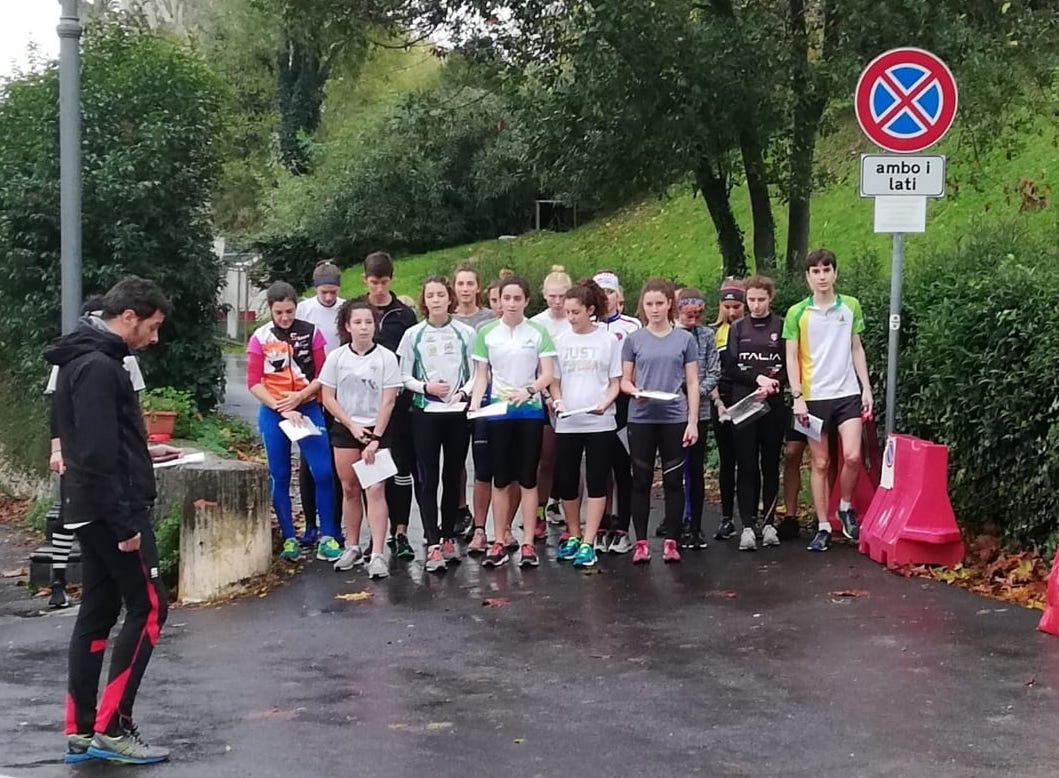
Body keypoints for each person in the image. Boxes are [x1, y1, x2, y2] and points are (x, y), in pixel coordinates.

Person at [45, 277, 173, 764]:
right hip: (113, 510)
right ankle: (113, 728)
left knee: (97, 613)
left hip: (86, 505)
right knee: (150, 608)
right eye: (152, 327)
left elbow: (92, 441)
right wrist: (124, 526)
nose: (154, 338)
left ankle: (81, 730)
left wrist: (143, 454)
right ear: (128, 316)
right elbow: (97, 456)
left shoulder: (78, 358)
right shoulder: (101, 366)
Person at [784, 248, 874, 552]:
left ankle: (845, 506)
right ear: (807, 277)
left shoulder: (850, 306)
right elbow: (791, 357)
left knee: (852, 456)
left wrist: (866, 387)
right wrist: (797, 396)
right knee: (820, 462)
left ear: (835, 273)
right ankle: (823, 526)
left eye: (826, 270)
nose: (822, 276)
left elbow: (856, 348)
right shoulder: (797, 313)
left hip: (847, 393)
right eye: (816, 271)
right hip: (813, 397)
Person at [247, 281, 341, 564]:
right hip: (274, 410)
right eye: (279, 312)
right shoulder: (260, 337)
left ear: (296, 307)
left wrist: (299, 397)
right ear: (271, 310)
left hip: (308, 406)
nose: (285, 317)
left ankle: (328, 535)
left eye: (289, 311)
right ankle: (289, 537)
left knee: (323, 471)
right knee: (280, 474)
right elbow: (254, 382)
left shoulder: (312, 332)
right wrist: (282, 407)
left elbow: (323, 375)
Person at [468, 276, 556, 568]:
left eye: (518, 298)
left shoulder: (538, 332)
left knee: (527, 478)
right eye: (507, 298)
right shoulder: (487, 333)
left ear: (527, 301)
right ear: (499, 301)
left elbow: (547, 374)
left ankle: (528, 543)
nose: (512, 303)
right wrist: (475, 402)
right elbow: (482, 375)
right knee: (501, 479)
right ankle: (498, 540)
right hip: (498, 412)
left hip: (530, 412)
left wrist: (529, 390)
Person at [396, 277, 476, 574]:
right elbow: (404, 376)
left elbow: (477, 372)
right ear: (424, 301)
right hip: (425, 413)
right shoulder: (413, 334)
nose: (436, 300)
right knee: (428, 478)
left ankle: (447, 536)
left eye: (441, 294)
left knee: (452, 476)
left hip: (456, 413)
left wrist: (464, 393)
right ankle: (432, 543)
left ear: (449, 298)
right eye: (430, 295)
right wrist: (426, 388)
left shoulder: (465, 333)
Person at [320, 300, 403, 579]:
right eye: (357, 322)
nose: (363, 327)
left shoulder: (386, 358)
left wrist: (375, 438)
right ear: (347, 326)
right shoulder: (337, 357)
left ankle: (377, 553)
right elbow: (328, 397)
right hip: (346, 429)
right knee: (350, 488)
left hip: (377, 429)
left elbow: (389, 401)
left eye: (368, 322)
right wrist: (351, 425)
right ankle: (352, 546)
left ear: (375, 325)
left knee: (375, 489)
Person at [620, 279, 700, 564]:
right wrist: (635, 391)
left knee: (673, 480)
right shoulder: (634, 340)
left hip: (673, 416)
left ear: (669, 305)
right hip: (641, 417)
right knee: (641, 480)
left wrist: (693, 421)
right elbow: (624, 381)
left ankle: (671, 541)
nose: (654, 309)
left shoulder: (684, 340)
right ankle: (641, 543)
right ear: (642, 306)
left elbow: (692, 382)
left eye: (659, 303)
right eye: (649, 304)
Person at [549, 280, 621, 568]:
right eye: (567, 312)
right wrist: (557, 401)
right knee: (567, 480)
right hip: (568, 421)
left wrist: (606, 402)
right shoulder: (560, 340)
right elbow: (554, 381)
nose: (570, 317)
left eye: (576, 312)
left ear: (590, 310)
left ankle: (590, 541)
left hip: (599, 422)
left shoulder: (608, 340)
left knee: (596, 480)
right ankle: (574, 534)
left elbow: (615, 382)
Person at [358, 251, 419, 561]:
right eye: (374, 282)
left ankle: (402, 532)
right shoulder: (357, 311)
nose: (379, 288)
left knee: (401, 468)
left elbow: (412, 358)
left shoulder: (404, 315)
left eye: (384, 282)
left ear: (392, 279)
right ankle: (377, 534)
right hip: (366, 405)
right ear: (364, 280)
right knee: (373, 471)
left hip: (400, 403)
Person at [723, 275, 787, 550]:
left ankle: (769, 523)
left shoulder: (781, 325)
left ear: (770, 298)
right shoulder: (738, 328)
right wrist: (757, 380)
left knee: (770, 463)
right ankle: (748, 526)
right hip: (746, 404)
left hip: (773, 404)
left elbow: (789, 364)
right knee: (746, 464)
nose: (757, 305)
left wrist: (775, 383)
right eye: (751, 300)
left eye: (761, 299)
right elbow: (731, 367)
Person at [294, 260, 346, 547]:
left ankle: (333, 523)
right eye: (323, 292)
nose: (328, 297)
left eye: (333, 292)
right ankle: (310, 525)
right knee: (308, 460)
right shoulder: (304, 310)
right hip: (311, 390)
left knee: (335, 460)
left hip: (338, 391)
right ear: (316, 289)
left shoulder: (345, 309)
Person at [593, 270, 640, 554]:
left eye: (610, 292)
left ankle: (623, 527)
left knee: (623, 467)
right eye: (600, 292)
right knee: (600, 468)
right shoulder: (587, 326)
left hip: (624, 403)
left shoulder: (632, 325)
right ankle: (601, 524)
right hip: (596, 403)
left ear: (619, 295)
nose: (606, 297)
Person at [452, 265, 496, 540]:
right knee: (456, 459)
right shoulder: (447, 318)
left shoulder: (490, 318)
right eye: (461, 283)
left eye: (470, 283)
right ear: (454, 288)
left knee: (483, 461)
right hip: (454, 398)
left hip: (484, 397)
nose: (465, 288)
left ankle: (483, 523)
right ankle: (460, 509)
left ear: (478, 287)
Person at [674, 288, 720, 549]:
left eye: (698, 315)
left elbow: (714, 371)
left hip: (699, 410)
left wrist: (697, 391)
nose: (693, 320)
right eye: (688, 315)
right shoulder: (671, 334)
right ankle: (676, 521)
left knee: (695, 469)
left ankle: (695, 523)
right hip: (672, 411)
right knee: (675, 469)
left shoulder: (707, 335)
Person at [530, 265, 573, 533]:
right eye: (552, 296)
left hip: (574, 396)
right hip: (544, 397)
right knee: (545, 459)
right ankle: (539, 511)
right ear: (544, 295)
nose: (557, 302)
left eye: (562, 296)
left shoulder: (576, 318)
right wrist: (545, 394)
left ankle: (571, 518)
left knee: (570, 460)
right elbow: (533, 364)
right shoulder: (536, 324)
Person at [710, 280, 746, 541]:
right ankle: (726, 518)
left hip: (747, 400)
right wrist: (716, 399)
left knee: (747, 460)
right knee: (727, 461)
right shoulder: (715, 332)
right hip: (721, 402)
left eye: (737, 306)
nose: (732, 312)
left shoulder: (751, 329)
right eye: (727, 306)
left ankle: (749, 517)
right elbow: (709, 370)